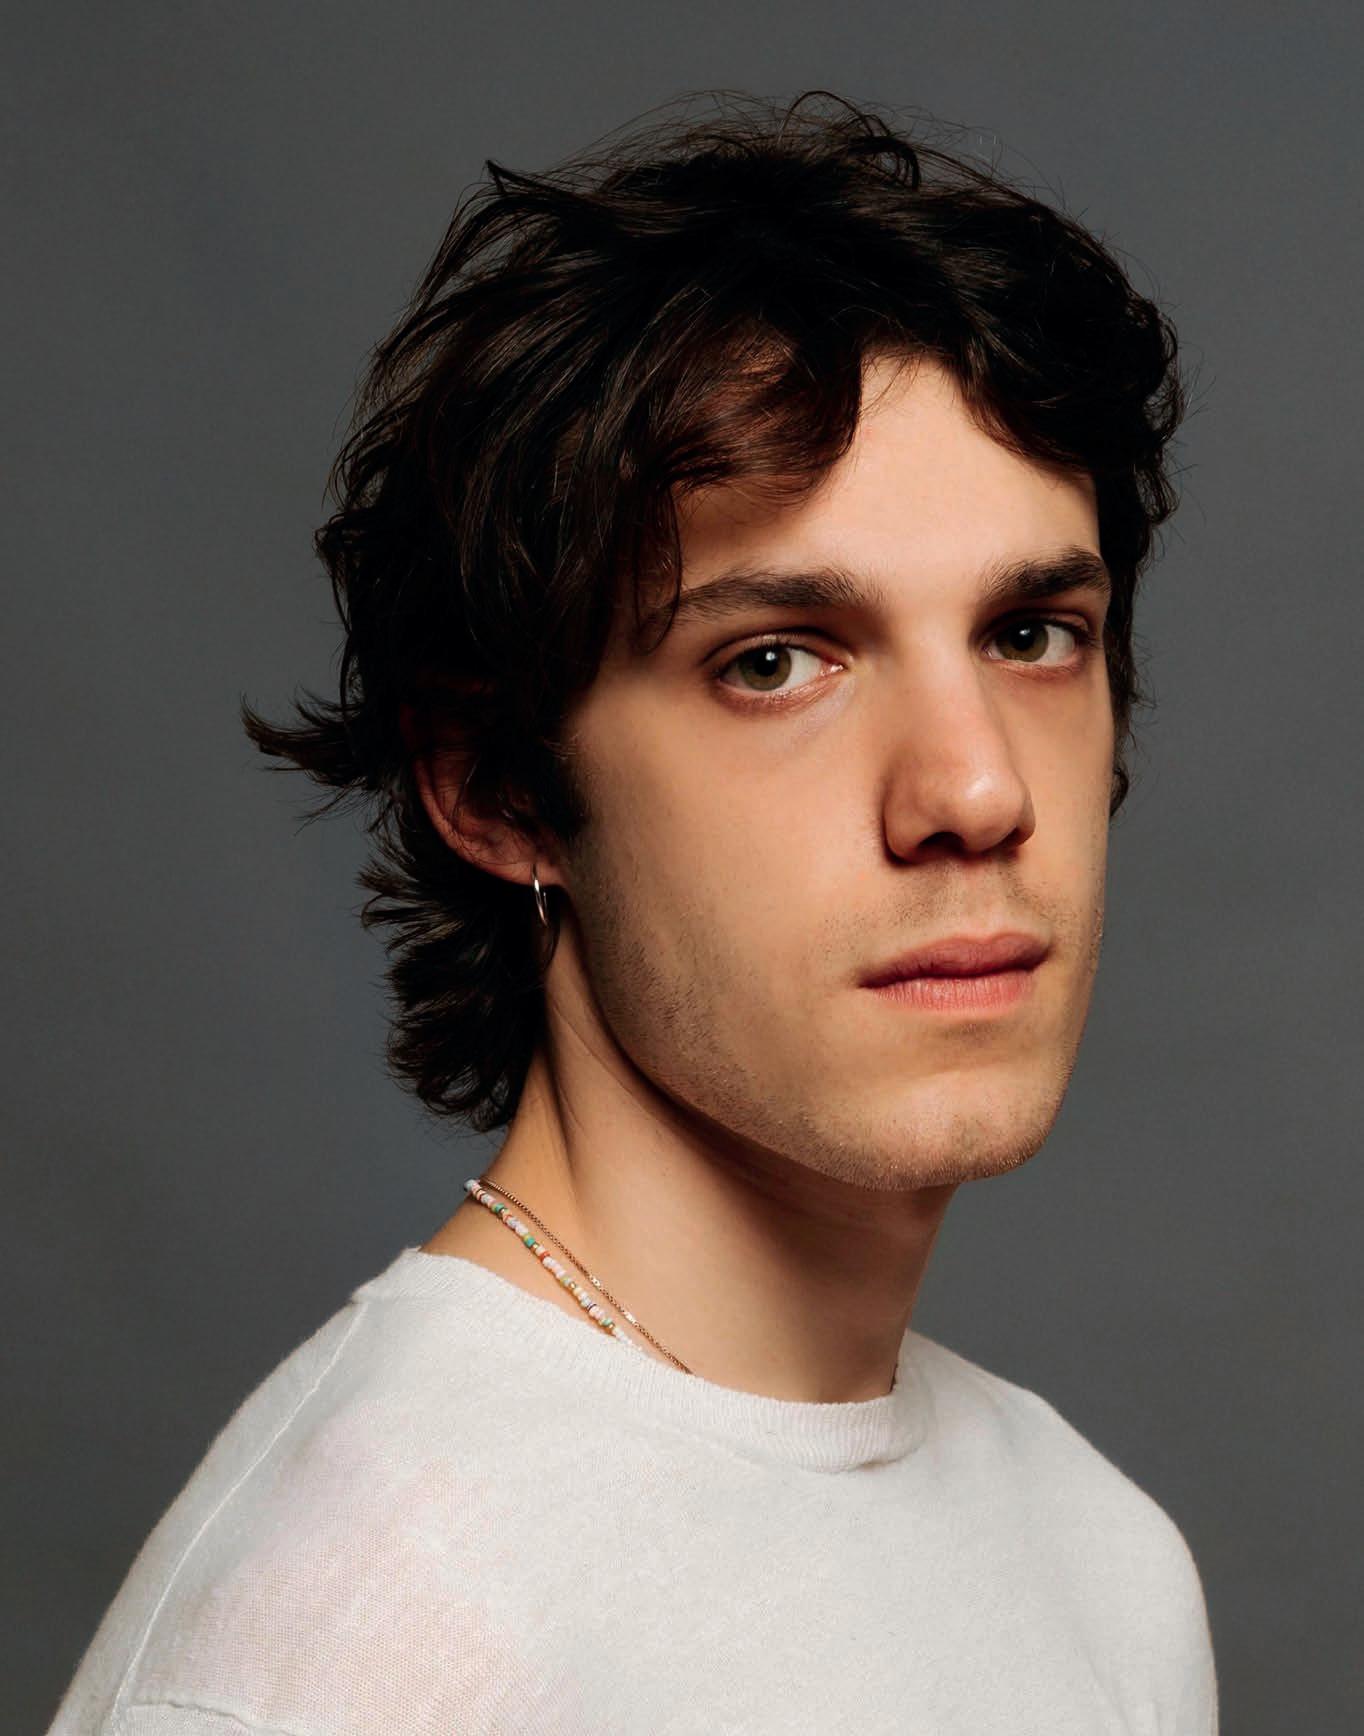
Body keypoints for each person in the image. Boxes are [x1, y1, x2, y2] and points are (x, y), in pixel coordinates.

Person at [49, 92, 1218, 1735]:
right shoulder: (329, 1660)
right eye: (775, 660)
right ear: (499, 790)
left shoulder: (1104, 1561)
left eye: (1032, 634)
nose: (974, 789)